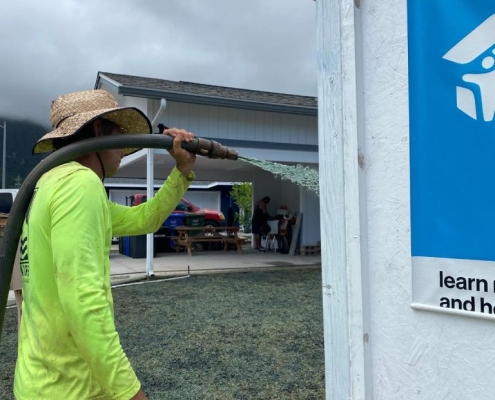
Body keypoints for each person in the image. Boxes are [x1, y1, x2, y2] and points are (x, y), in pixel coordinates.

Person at [13, 89, 196, 400]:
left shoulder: (51, 182)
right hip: (70, 389)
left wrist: (182, 172)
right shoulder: (80, 186)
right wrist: (129, 392)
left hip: (40, 381)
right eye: (119, 136)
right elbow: (83, 302)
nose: (122, 150)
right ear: (100, 132)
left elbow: (144, 220)